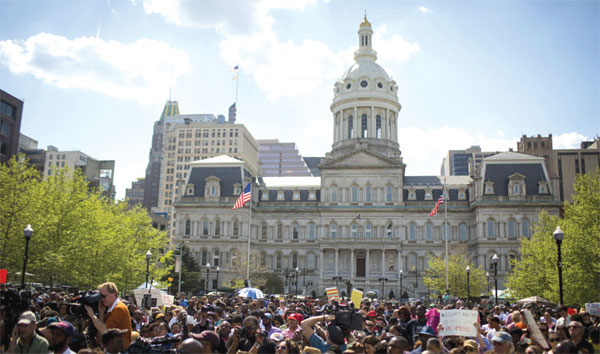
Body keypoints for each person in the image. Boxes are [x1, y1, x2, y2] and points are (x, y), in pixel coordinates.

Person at [85, 282, 133, 349]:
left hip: (120, 349)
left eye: (104, 296)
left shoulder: (119, 308)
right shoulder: (112, 308)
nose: (102, 299)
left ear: (114, 294)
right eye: (100, 296)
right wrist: (101, 314)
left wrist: (92, 315)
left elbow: (105, 331)